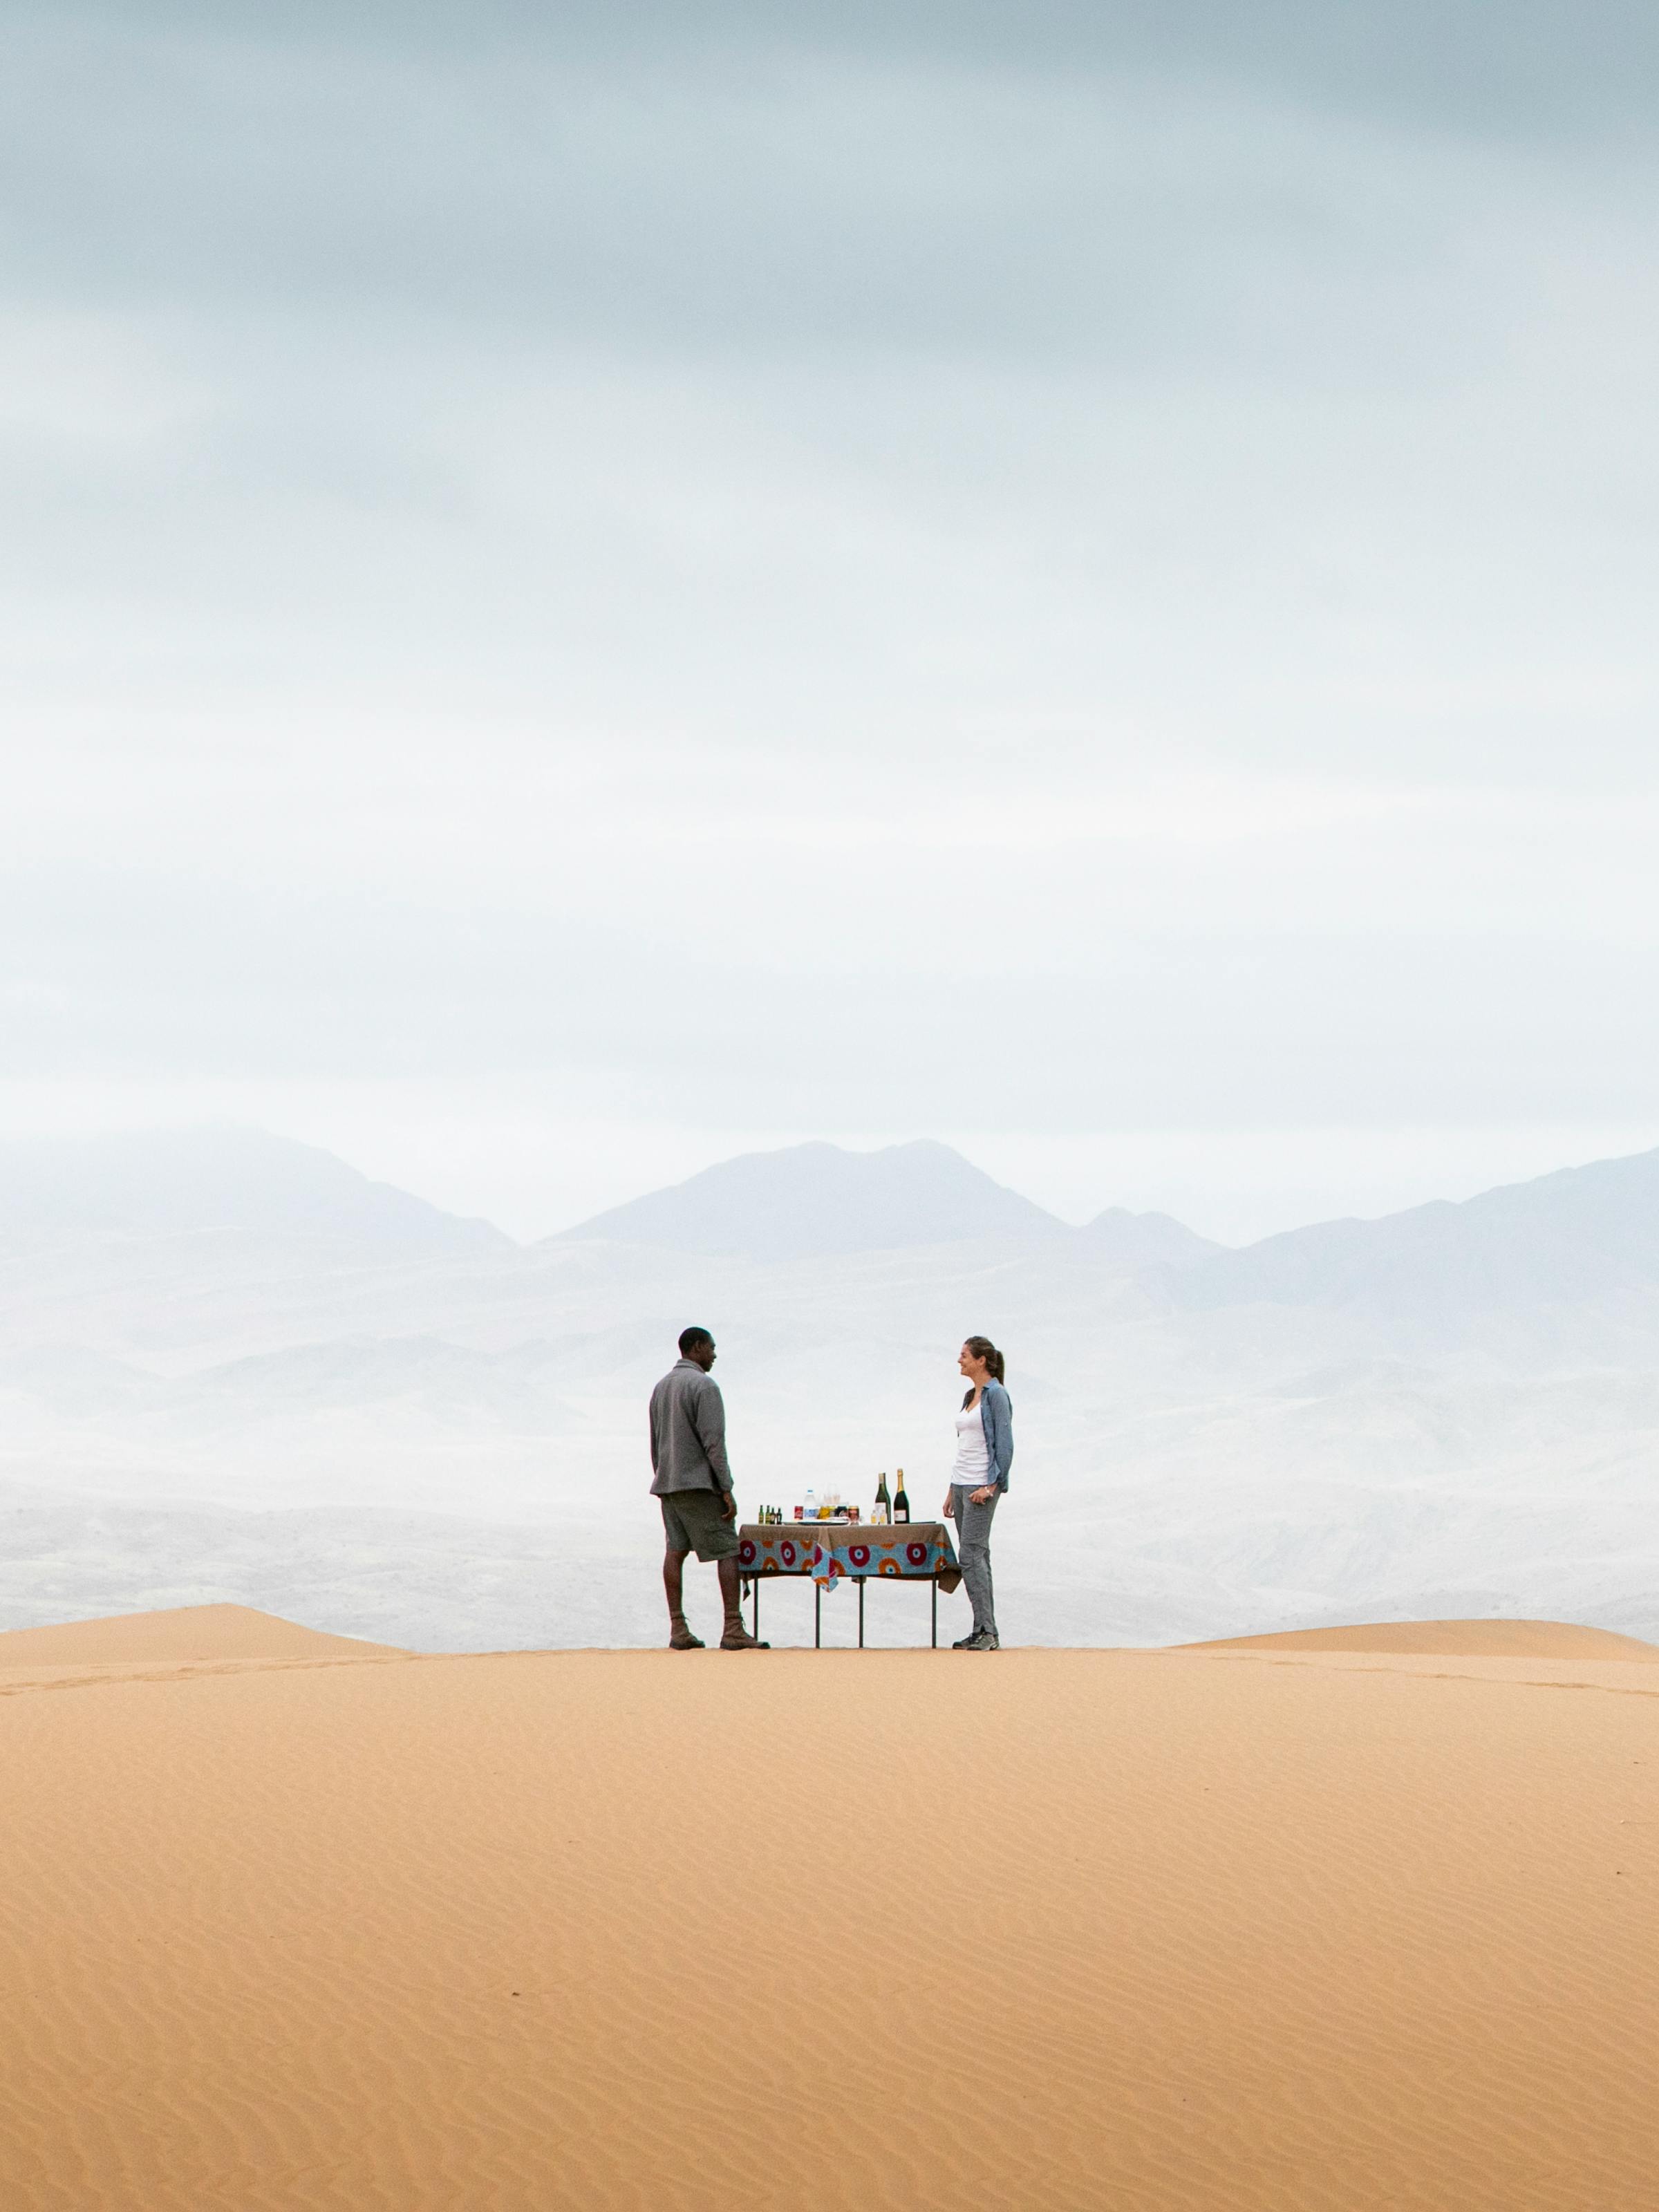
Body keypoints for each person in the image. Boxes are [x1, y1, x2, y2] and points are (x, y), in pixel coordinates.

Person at [649, 1326, 768, 1651]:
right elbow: (714, 1443)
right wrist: (726, 1488)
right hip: (700, 1485)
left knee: (675, 1551)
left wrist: (664, 1477)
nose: (715, 1354)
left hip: (669, 1484)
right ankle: (733, 1627)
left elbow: (655, 1443)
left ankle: (678, 1628)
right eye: (712, 1348)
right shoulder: (704, 1386)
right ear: (697, 1347)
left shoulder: (661, 1388)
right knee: (728, 1549)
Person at [942, 1335, 1013, 1651]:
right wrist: (950, 1489)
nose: (960, 1360)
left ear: (981, 1360)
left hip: (981, 1487)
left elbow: (1005, 1445)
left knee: (971, 1555)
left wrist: (992, 1486)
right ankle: (980, 1629)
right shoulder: (970, 1394)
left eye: (964, 1355)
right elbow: (964, 1446)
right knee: (976, 1556)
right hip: (961, 1484)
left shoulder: (997, 1395)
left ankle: (989, 1631)